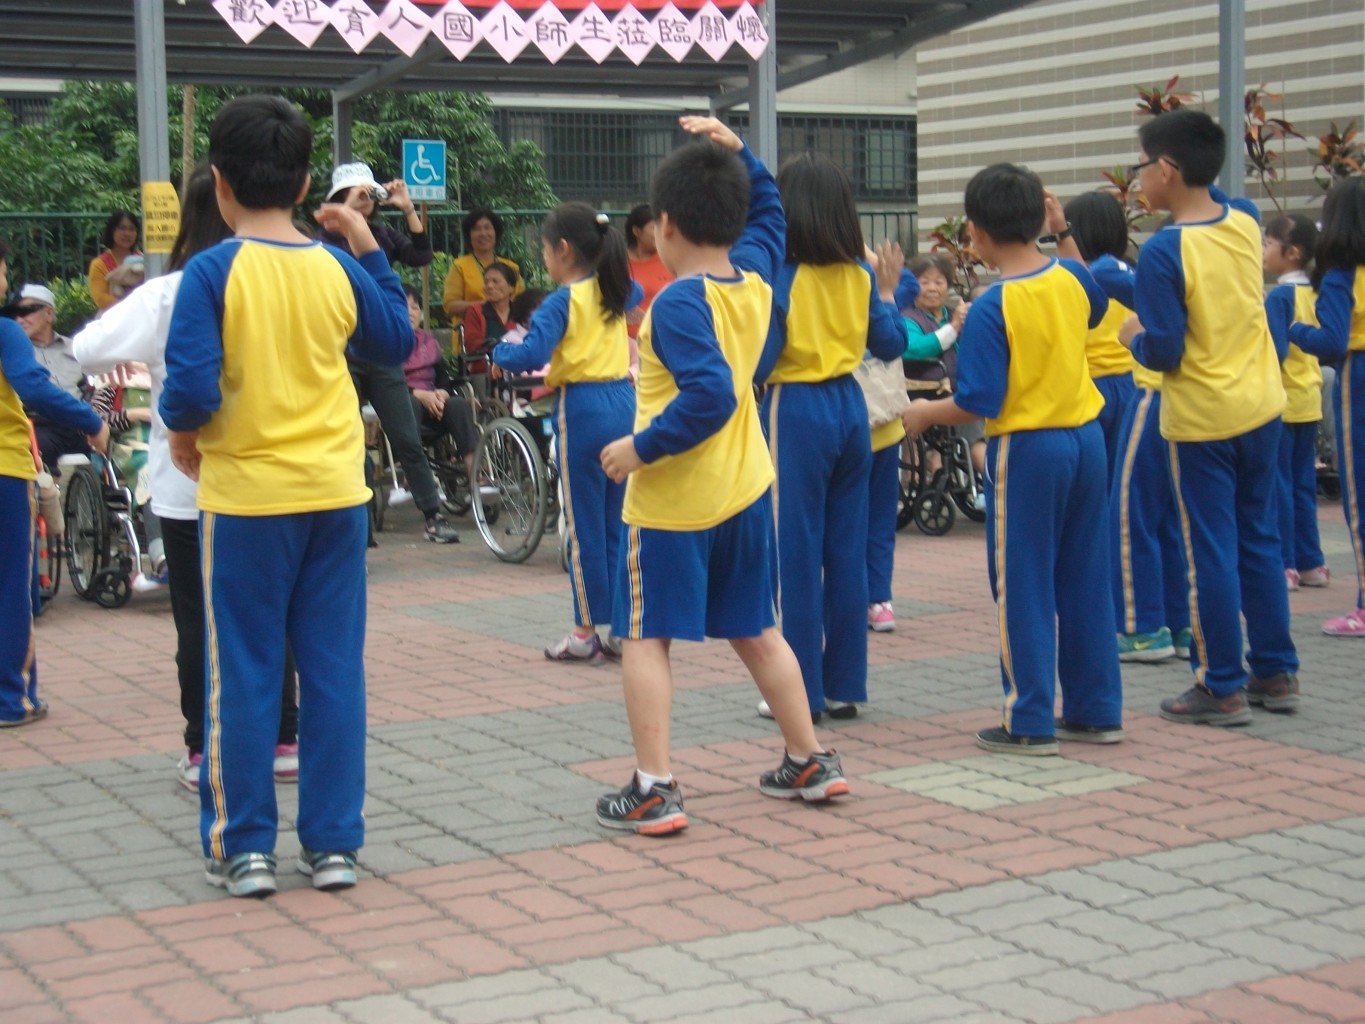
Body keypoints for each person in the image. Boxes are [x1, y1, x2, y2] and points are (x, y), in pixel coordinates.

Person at [159, 95, 411, 898]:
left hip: (246, 502)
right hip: (336, 494)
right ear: (305, 184)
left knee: (244, 669)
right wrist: (365, 242)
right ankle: (333, 846)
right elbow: (393, 340)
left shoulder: (211, 271)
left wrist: (182, 434)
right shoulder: (334, 267)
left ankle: (245, 848)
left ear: (220, 182)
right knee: (333, 669)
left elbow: (190, 388)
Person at [597, 115, 849, 835]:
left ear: (665, 226)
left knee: (644, 635)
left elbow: (707, 396)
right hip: (746, 491)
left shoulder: (678, 302)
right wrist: (745, 158)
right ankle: (808, 759)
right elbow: (771, 214)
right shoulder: (757, 277)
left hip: (673, 501)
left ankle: (654, 786)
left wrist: (640, 448)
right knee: (758, 629)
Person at [73, 164, 300, 793]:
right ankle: (284, 741)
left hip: (187, 486)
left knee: (198, 621)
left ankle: (204, 749)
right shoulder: (288, 278)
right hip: (272, 481)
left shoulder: (169, 293)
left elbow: (87, 349)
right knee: (270, 614)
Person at [905, 162, 1122, 755]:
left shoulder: (992, 306)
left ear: (975, 233)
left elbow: (978, 399)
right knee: (1085, 577)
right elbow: (1096, 301)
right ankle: (1097, 709)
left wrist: (924, 413)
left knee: (1023, 583)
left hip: (1028, 448)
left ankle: (1028, 718)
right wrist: (1063, 231)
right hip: (1086, 439)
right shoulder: (1069, 278)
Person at [1119, 108, 1299, 722]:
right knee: (1259, 539)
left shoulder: (1165, 251)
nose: (1138, 177)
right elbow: (1216, 195)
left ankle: (1219, 683)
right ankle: (1275, 670)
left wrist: (1132, 337)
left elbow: (1165, 350)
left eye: (1142, 166)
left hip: (1202, 418)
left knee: (1209, 551)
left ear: (1168, 170)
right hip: (1262, 405)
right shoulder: (1244, 222)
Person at [756, 152, 906, 721]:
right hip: (851, 406)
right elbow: (890, 343)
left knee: (795, 553)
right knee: (846, 550)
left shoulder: (781, 277)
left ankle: (800, 692)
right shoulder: (860, 275)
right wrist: (886, 294)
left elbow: (762, 359)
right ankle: (845, 685)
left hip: (796, 409)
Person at [492, 203, 639, 662]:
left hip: (583, 409)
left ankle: (584, 633)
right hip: (624, 403)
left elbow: (532, 353)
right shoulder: (616, 288)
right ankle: (622, 629)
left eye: (544, 249)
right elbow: (634, 293)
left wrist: (499, 352)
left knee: (583, 527)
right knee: (619, 523)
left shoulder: (561, 301)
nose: (543, 258)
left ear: (562, 249)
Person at [317, 162, 459, 545]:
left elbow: (422, 255)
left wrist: (407, 207)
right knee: (349, 440)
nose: (366, 198)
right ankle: (360, 527)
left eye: (369, 192)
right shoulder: (323, 241)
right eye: (357, 193)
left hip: (381, 351)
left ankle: (433, 515)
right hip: (342, 352)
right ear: (338, 199)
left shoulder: (381, 235)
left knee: (407, 437)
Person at [0, 236, 108, 727]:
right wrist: (90, 419)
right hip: (5, 473)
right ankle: (12, 699)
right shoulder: (6, 332)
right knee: (11, 587)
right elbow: (32, 386)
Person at [1289, 175, 1365, 637]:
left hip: (1358, 376)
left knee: (1359, 497)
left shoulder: (1341, 275)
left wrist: (1295, 330)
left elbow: (1332, 342)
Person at [1264, 214, 1329, 592]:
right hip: (1310, 401)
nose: (1263, 250)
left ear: (1292, 253)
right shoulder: (1315, 293)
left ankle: (1285, 563)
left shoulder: (1280, 297)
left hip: (1284, 403)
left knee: (1280, 485)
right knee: (1304, 484)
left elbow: (1276, 351)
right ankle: (1311, 562)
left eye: (1268, 243)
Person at [1055, 192, 1137, 484]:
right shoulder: (1128, 269)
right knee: (1123, 475)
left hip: (1091, 386)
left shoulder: (1080, 276)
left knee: (1092, 479)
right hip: (1131, 382)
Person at [400, 284, 479, 481]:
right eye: (403, 306)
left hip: (435, 403)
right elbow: (388, 382)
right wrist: (420, 395)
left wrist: (441, 393)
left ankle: (475, 477)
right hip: (404, 401)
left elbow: (442, 377)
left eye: (415, 307)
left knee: (458, 404)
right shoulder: (386, 344)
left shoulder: (428, 342)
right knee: (410, 404)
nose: (410, 312)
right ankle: (414, 479)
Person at [12, 283, 91, 470]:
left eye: (26, 311)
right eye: (16, 314)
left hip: (81, 421)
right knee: (40, 446)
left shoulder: (76, 348)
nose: (20, 319)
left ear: (48, 313)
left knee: (112, 442)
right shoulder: (14, 353)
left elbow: (97, 382)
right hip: (40, 424)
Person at [441, 208, 524, 325]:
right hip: (470, 332)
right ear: (469, 235)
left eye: (487, 228)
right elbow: (450, 306)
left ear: (496, 232)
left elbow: (521, 302)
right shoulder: (460, 266)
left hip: (508, 332)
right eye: (476, 229)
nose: (483, 233)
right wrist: (486, 305)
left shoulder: (511, 267)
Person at [624, 203, 674, 371]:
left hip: (662, 345)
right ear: (636, 231)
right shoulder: (618, 263)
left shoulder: (668, 259)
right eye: (654, 228)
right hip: (626, 349)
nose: (661, 233)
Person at [461, 262, 517, 392]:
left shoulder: (521, 312)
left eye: (495, 281)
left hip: (518, 366)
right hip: (487, 369)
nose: (490, 286)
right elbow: (472, 343)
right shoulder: (475, 311)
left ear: (511, 287)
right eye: (486, 282)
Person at [88, 210, 144, 312]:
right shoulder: (99, 264)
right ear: (112, 231)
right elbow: (101, 299)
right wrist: (131, 308)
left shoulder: (143, 260)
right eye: (122, 228)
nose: (127, 233)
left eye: (131, 229)